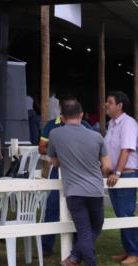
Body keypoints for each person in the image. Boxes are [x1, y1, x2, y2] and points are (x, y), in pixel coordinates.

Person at [47, 98, 113, 266]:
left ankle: (74, 260)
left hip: (74, 190)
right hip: (94, 189)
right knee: (95, 227)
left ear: (62, 116)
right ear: (82, 115)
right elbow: (107, 166)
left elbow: (54, 161)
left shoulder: (54, 134)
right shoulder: (96, 136)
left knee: (84, 230)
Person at [38, 99, 95, 256]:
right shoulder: (52, 125)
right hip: (59, 172)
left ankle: (78, 247)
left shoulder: (85, 126)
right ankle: (46, 246)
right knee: (52, 207)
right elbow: (41, 147)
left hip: (78, 172)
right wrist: (59, 151)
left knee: (79, 210)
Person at [104, 90, 138, 265]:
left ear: (119, 106)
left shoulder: (128, 123)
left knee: (126, 212)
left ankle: (135, 251)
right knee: (120, 212)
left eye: (110, 102)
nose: (106, 105)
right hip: (114, 174)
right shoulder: (112, 124)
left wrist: (117, 172)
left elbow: (126, 150)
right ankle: (128, 249)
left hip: (125, 174)